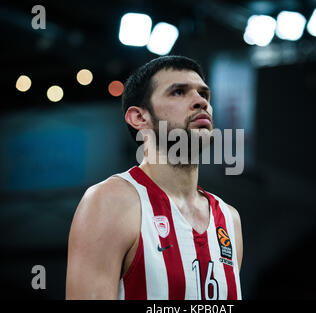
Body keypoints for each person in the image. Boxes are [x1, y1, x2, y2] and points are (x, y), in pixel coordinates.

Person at [65, 56, 243, 300]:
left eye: (204, 94)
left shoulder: (229, 219)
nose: (201, 102)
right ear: (139, 117)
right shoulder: (110, 201)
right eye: (179, 92)